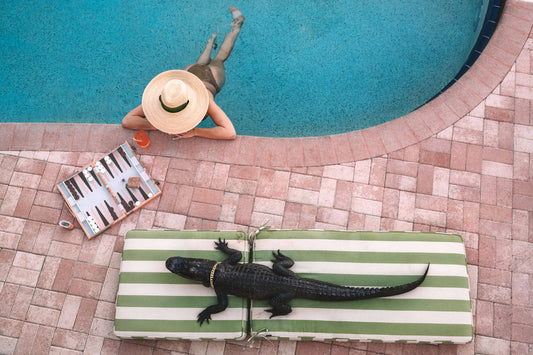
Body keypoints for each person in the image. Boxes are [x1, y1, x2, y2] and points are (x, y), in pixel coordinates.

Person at [122, 7, 244, 140]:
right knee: (206, 63)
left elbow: (230, 132)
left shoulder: (205, 101)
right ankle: (212, 41)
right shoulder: (167, 95)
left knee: (219, 59)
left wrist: (195, 131)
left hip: (211, 79)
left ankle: (236, 25)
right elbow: (127, 121)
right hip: (188, 74)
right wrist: (158, 125)